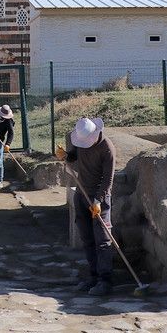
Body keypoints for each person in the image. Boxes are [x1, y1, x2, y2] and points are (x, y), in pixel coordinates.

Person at [55, 117, 117, 296]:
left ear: (95, 134)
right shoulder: (82, 140)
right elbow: (74, 156)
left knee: (102, 240)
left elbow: (108, 180)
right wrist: (66, 156)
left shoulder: (107, 149)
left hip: (98, 199)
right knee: (87, 238)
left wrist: (98, 200)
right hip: (81, 194)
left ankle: (105, 281)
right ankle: (93, 277)